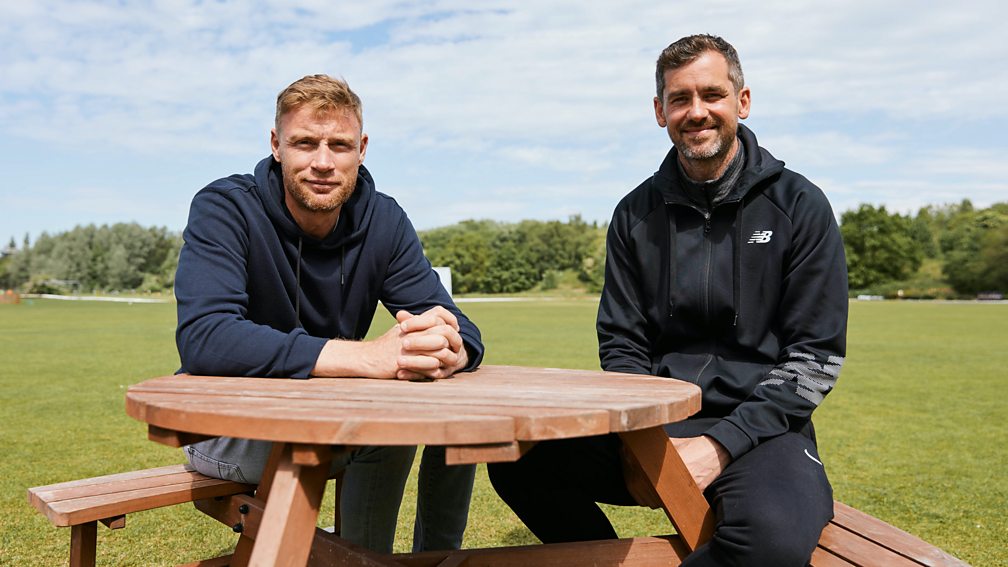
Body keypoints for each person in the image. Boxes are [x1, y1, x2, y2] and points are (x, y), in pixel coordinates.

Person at [488, 34, 848, 566]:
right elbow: (622, 339)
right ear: (660, 111)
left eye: (712, 95)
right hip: (656, 425)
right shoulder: (635, 213)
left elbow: (814, 357)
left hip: (762, 430)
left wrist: (720, 445)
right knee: (519, 460)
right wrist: (649, 438)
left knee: (770, 540)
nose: (696, 112)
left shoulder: (800, 206)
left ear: (741, 102)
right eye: (680, 99)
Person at [174, 74, 484, 554]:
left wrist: (446, 347)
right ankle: (363, 560)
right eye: (304, 143)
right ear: (276, 145)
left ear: (361, 149)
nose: (322, 162)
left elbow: (460, 327)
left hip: (337, 420)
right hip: (227, 427)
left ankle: (429, 559)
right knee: (387, 423)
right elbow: (206, 338)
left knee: (452, 411)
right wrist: (368, 358)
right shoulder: (225, 207)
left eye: (338, 145)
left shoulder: (383, 218)